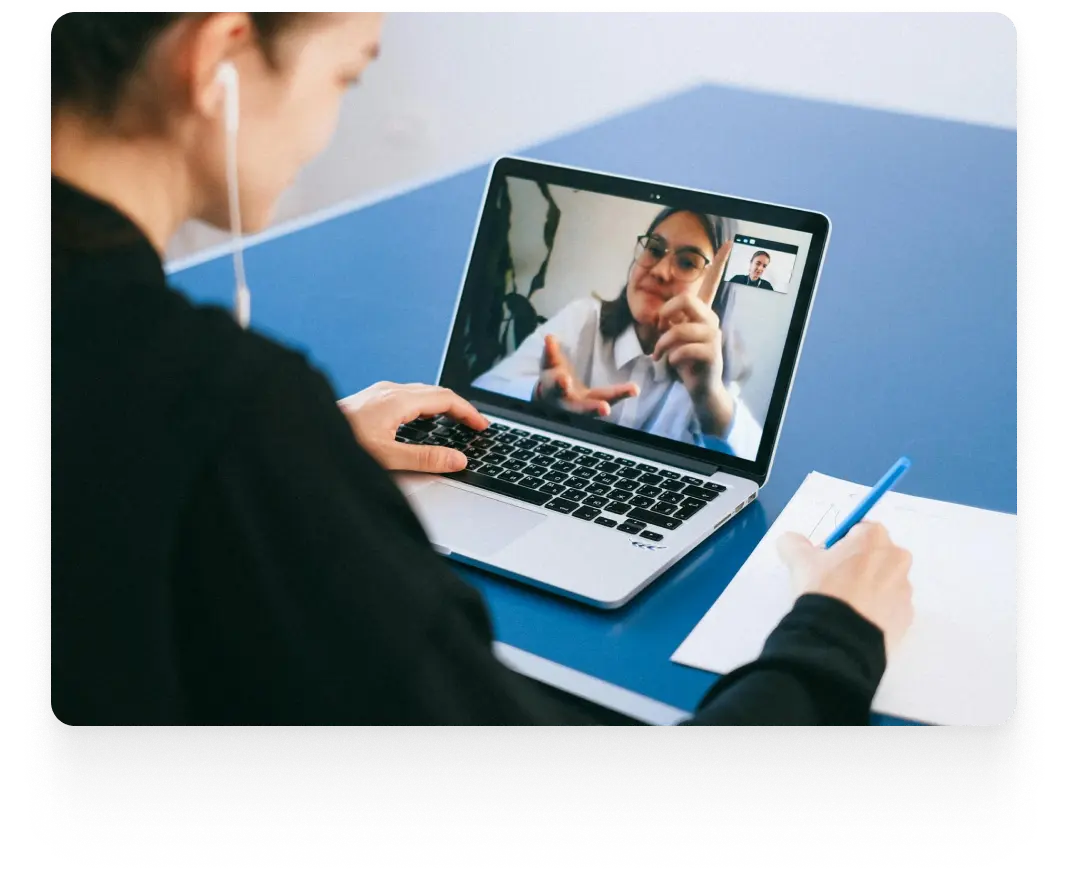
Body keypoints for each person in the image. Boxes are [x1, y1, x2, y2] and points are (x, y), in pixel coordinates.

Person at [47, 10, 914, 726]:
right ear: (219, 60)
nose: (330, 124)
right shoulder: (238, 419)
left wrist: (312, 440)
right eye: (347, 75)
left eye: (686, 260)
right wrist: (833, 637)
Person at [473, 208, 763, 459]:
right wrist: (539, 394)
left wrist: (709, 396)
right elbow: (484, 388)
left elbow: (752, 467)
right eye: (654, 249)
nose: (661, 271)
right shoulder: (583, 318)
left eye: (687, 262)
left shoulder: (710, 374)